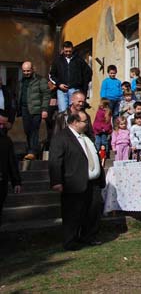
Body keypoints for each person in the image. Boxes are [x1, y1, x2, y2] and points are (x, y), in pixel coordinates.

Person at [49, 110, 105, 250]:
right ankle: (70, 240)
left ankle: (88, 236)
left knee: (93, 209)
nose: (87, 124)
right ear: (74, 122)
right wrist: (56, 181)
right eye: (84, 121)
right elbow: (55, 160)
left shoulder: (86, 136)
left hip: (93, 182)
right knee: (72, 213)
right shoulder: (61, 137)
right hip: (73, 182)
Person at [17, 61, 50, 160]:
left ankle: (32, 152)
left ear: (32, 69)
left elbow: (46, 94)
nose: (26, 73)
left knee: (34, 131)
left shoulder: (40, 80)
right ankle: (31, 149)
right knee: (27, 130)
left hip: (36, 110)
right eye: (24, 71)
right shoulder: (21, 81)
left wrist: (44, 109)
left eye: (28, 70)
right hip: (24, 109)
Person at [49, 41, 92, 113]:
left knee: (75, 111)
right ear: (63, 50)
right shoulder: (57, 61)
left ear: (72, 49)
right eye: (66, 51)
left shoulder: (79, 60)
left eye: (70, 51)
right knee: (63, 112)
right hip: (61, 91)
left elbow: (88, 73)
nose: (68, 53)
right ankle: (64, 124)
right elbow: (51, 75)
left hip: (75, 90)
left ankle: (73, 124)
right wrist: (59, 84)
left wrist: (82, 87)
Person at [0, 112, 21, 226]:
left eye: (4, 125)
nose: (2, 127)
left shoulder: (6, 140)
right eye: (0, 124)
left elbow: (11, 162)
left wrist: (16, 181)